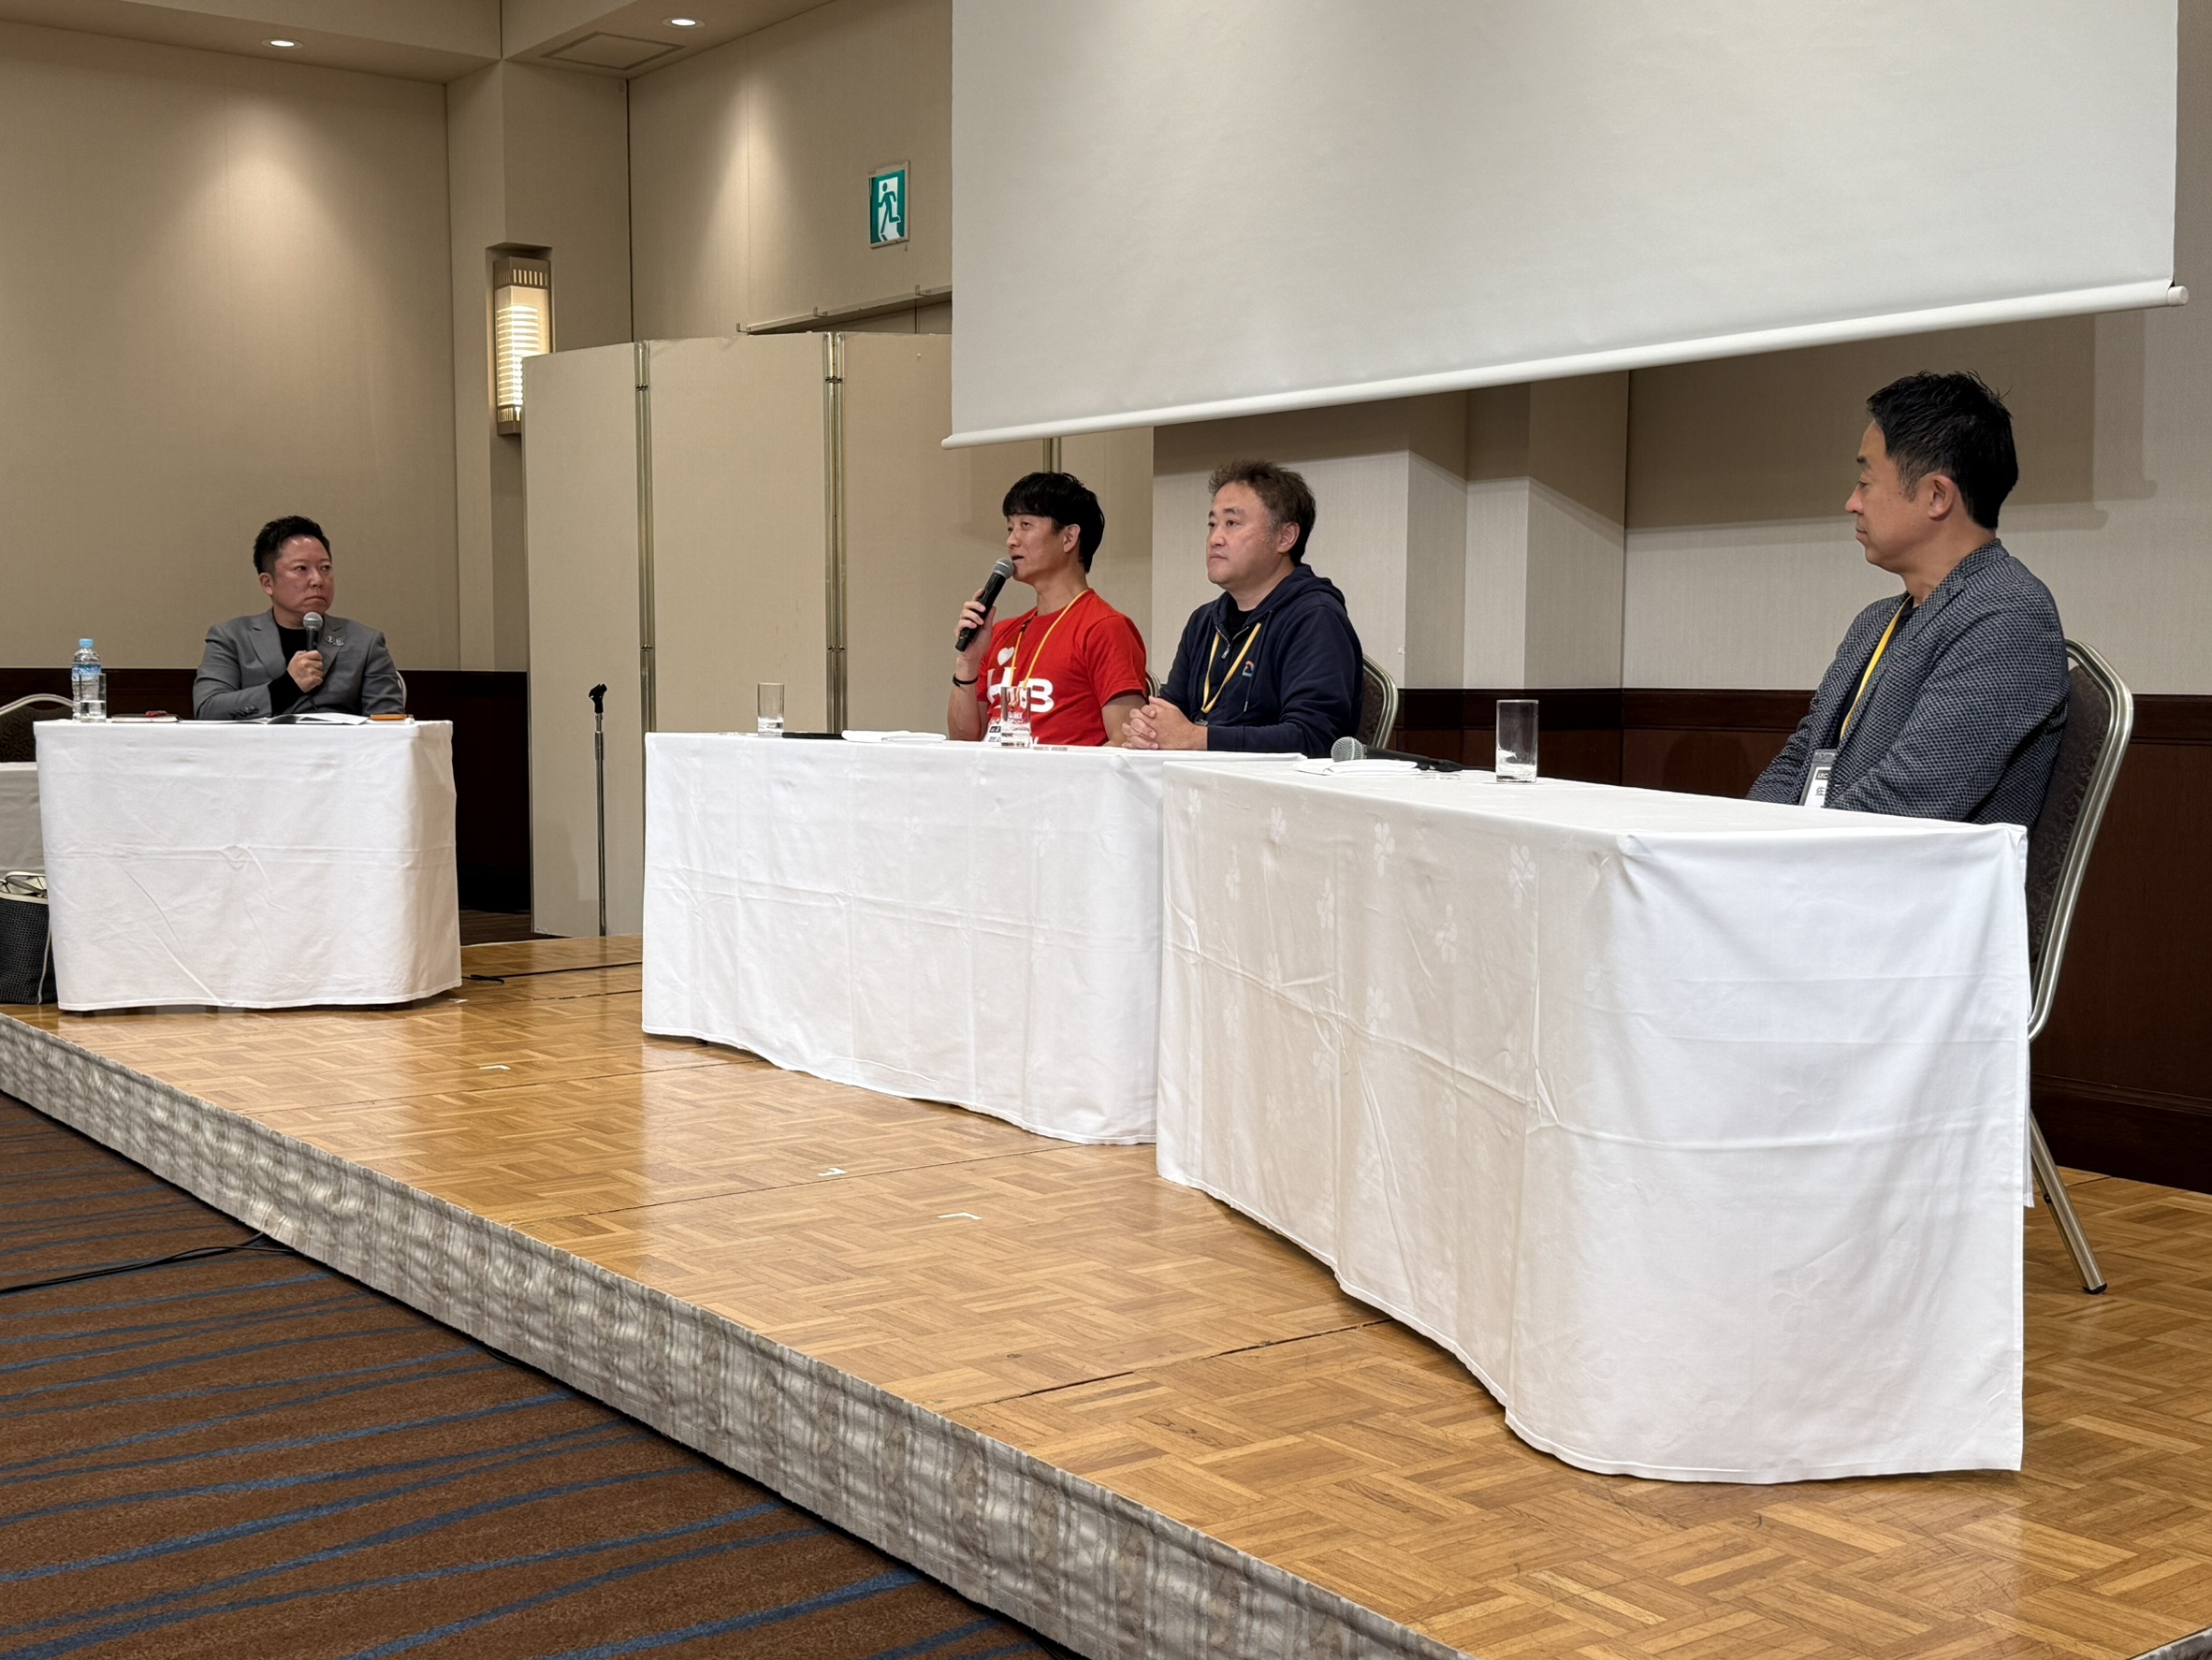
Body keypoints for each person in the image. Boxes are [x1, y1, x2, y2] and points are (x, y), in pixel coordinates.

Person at [1750, 371, 2066, 824]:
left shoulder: (2008, 618)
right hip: (1825, 853)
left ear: (1936, 496)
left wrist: (1776, 852)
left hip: (1897, 866)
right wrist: (1747, 835)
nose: (1852, 502)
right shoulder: (1876, 622)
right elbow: (1801, 760)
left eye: (1866, 481)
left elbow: (1905, 802)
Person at [1125, 459, 1361, 757]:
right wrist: (1148, 730)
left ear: (1285, 537)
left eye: (1232, 523)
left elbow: (1314, 738)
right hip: (1198, 778)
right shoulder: (1204, 621)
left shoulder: (1315, 618)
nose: (1215, 539)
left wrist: (1199, 738)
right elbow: (1171, 714)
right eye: (1212, 525)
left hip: (1272, 785)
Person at [950, 472, 1150, 746]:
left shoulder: (1104, 627)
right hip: (994, 772)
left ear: (1069, 537)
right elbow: (963, 741)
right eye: (1010, 528)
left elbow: (1126, 742)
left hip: (1062, 774)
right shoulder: (1000, 634)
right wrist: (968, 662)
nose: (1011, 540)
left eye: (1026, 525)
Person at [195, 517, 405, 720]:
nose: (317, 580)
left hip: (338, 745)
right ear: (268, 583)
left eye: (325, 568)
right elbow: (207, 710)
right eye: (301, 569)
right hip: (261, 745)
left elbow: (389, 724)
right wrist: (286, 686)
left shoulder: (365, 642)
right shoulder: (231, 637)